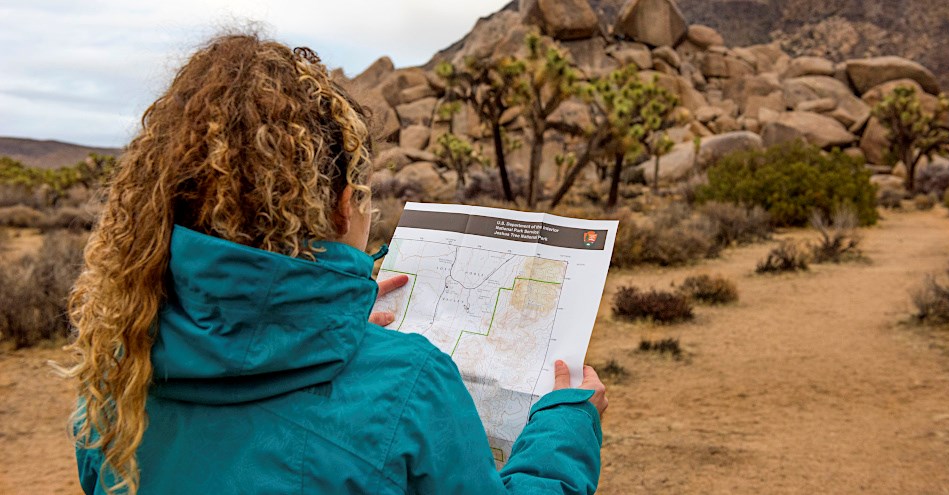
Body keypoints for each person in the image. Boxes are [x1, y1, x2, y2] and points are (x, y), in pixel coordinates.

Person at [63, 33, 607, 495]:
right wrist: (565, 426)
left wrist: (322, 333)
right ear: (343, 203)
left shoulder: (116, 375)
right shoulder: (410, 384)